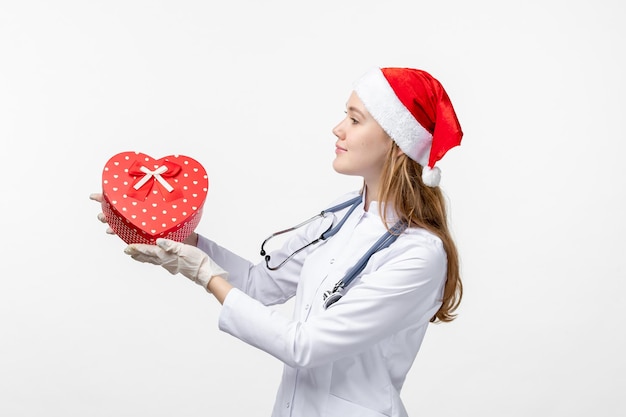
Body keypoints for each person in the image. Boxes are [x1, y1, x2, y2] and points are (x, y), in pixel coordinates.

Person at [91, 66, 464, 417]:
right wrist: (175, 236)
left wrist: (206, 275)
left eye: (354, 119)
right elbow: (258, 285)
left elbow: (305, 346)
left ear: (398, 143)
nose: (338, 129)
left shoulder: (418, 255)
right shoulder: (340, 218)